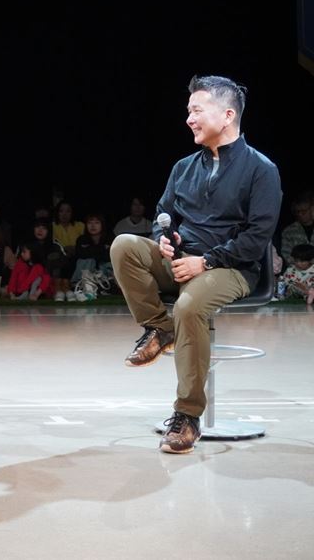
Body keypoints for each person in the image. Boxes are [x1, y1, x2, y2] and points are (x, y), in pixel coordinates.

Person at [110, 75, 281, 454]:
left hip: (232, 268)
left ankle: (187, 415)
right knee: (125, 246)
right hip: (182, 261)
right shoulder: (184, 167)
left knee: (189, 306)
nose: (189, 118)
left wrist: (205, 262)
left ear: (228, 115)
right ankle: (159, 327)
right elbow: (164, 213)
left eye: (197, 110)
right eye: (189, 111)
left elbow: (256, 238)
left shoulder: (261, 170)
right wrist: (162, 237)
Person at [279, 192, 314, 267]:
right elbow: (286, 254)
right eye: (297, 212)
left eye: (304, 211)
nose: (300, 214)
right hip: (297, 270)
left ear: (311, 209)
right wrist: (301, 267)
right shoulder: (289, 231)